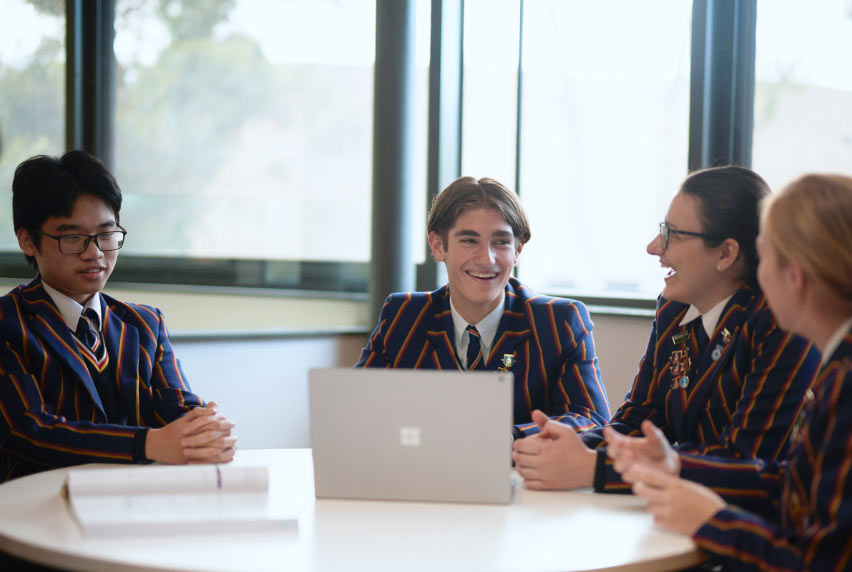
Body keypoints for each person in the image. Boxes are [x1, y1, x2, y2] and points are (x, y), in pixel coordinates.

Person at [512, 166, 819, 491]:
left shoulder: (779, 323)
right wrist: (572, 446)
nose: (654, 246)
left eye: (672, 233)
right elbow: (640, 419)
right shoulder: (675, 309)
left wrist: (599, 468)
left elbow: (744, 461)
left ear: (726, 253)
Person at [606, 173, 852, 570]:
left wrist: (712, 521)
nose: (756, 274)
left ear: (797, 276)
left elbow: (818, 562)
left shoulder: (845, 382)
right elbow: (788, 484)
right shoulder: (837, 366)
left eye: (764, 254)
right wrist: (675, 466)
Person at [0, 150, 236, 482]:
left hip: (132, 508)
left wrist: (205, 431)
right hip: (33, 512)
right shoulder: (9, 323)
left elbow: (177, 407)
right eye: (72, 238)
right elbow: (30, 431)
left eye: (106, 234)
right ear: (27, 241)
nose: (94, 253)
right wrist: (147, 443)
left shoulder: (144, 324)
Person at [356, 176, 610, 436]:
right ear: (438, 245)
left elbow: (590, 417)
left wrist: (504, 438)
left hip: (518, 472)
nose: (486, 258)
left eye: (501, 242)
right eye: (469, 240)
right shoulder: (404, 315)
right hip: (422, 470)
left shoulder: (558, 321)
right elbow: (358, 408)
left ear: (518, 249)